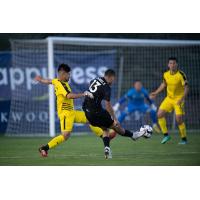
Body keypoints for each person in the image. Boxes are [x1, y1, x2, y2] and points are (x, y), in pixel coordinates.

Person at [35, 63, 109, 157]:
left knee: (91, 118)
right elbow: (69, 95)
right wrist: (84, 94)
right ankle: (44, 148)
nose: (69, 76)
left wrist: (41, 80)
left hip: (72, 112)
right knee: (65, 135)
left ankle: (105, 136)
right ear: (62, 74)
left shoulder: (56, 81)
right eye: (68, 74)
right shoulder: (61, 84)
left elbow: (49, 81)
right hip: (65, 113)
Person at [82, 69, 150, 159]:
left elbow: (91, 89)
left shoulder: (95, 80)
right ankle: (133, 135)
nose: (113, 81)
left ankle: (107, 148)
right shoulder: (106, 88)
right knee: (117, 126)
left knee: (105, 129)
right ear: (110, 77)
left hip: (87, 112)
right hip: (97, 112)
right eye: (113, 79)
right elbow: (108, 106)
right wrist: (115, 118)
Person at [150, 57, 189, 144]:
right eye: (170, 63)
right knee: (159, 115)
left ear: (177, 64)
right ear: (168, 65)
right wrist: (155, 93)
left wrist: (182, 98)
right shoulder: (165, 74)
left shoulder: (181, 74)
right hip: (169, 98)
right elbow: (163, 84)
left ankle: (184, 139)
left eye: (174, 63)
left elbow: (186, 88)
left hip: (179, 99)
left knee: (179, 119)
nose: (172, 65)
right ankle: (166, 135)